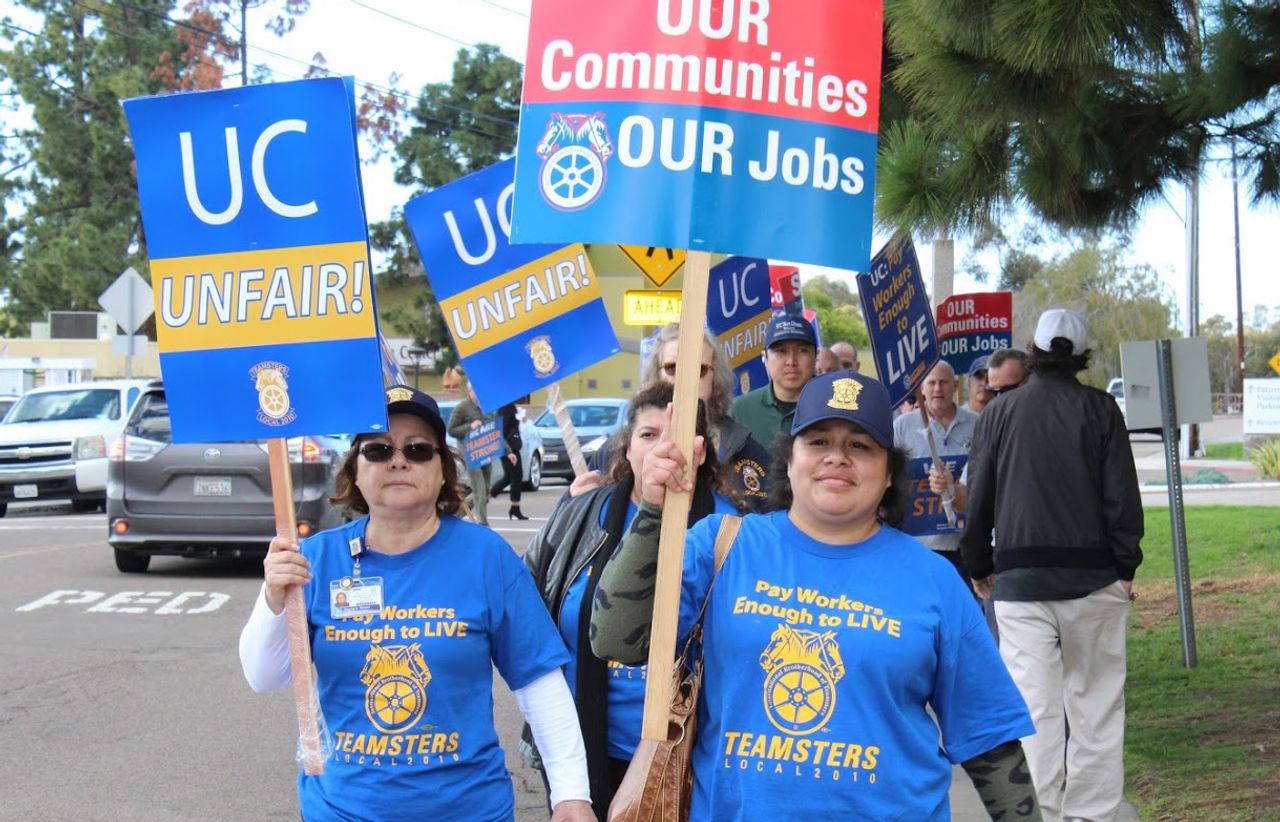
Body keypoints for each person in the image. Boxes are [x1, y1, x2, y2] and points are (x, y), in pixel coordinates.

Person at [591, 371, 1041, 820]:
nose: (837, 457)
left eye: (860, 445)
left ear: (889, 473)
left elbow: (990, 738)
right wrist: (653, 510)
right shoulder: (721, 547)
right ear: (789, 461)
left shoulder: (934, 580)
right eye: (819, 441)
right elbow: (614, 640)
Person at [238, 385, 593, 822]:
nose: (398, 460)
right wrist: (273, 598)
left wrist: (571, 795)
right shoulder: (315, 559)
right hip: (343, 810)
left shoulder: (487, 557)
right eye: (379, 449)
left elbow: (538, 681)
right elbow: (263, 676)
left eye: (418, 449)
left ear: (443, 471)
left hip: (469, 810)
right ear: (355, 471)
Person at [522, 382, 740, 818]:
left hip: (689, 760)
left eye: (676, 436)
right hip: (583, 752)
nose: (663, 448)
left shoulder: (731, 530)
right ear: (626, 447)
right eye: (648, 434)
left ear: (699, 452)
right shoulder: (581, 514)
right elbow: (525, 610)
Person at [960, 309, 1143, 822]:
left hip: (1020, 582)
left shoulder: (999, 412)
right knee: (1096, 706)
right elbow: (1121, 497)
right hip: (1094, 579)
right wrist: (1125, 565)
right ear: (1081, 355)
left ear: (1034, 351)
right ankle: (1094, 813)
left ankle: (1039, 813)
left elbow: (980, 497)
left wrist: (978, 563)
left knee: (1034, 708)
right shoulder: (1101, 408)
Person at [573, 324, 772, 509]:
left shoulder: (744, 450)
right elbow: (579, 524)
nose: (685, 379)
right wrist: (576, 504)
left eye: (699, 369)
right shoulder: (615, 451)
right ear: (657, 374)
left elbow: (771, 522)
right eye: (672, 368)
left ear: (715, 377)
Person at [892, 360, 979, 585]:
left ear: (956, 385)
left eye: (944, 382)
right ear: (922, 388)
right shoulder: (902, 426)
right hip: (919, 545)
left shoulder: (977, 424)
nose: (937, 389)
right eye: (931, 383)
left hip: (965, 544)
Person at [729, 314, 817, 451]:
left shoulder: (832, 407)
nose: (791, 361)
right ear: (764, 357)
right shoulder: (739, 410)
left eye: (802, 351)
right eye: (781, 351)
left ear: (816, 356)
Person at [447, 372, 497, 526]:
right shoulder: (462, 408)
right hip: (470, 454)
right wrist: (470, 426)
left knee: (485, 490)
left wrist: (508, 453)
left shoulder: (487, 408)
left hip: (486, 453)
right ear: (470, 391)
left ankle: (455, 514)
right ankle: (483, 523)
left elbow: (495, 431)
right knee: (479, 489)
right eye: (477, 390)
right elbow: (451, 429)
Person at [488, 400, 528, 520]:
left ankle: (513, 507)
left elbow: (514, 426)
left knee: (510, 477)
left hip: (512, 446)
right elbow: (502, 430)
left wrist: (521, 419)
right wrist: (508, 451)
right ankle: (513, 507)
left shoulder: (511, 407)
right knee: (515, 476)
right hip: (508, 448)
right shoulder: (505, 408)